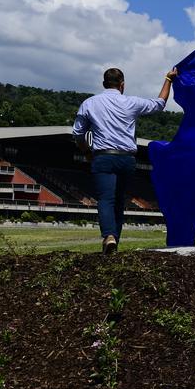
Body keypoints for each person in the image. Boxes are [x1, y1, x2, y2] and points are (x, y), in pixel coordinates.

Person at [73, 67, 176, 254]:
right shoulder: (131, 102)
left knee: (106, 199)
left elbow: (78, 133)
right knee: (119, 201)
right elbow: (160, 104)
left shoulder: (89, 103)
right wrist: (168, 78)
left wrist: (87, 152)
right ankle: (114, 243)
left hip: (103, 156)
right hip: (126, 159)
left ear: (104, 84)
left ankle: (109, 236)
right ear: (122, 85)